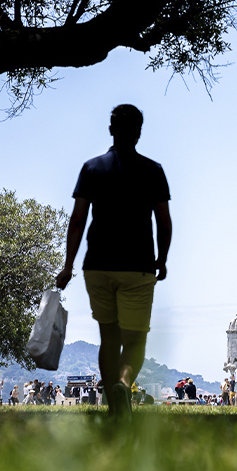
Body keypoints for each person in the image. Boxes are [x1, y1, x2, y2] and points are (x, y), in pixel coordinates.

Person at [56, 104, 172, 421]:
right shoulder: (153, 171)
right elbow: (164, 222)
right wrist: (162, 260)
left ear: (111, 129)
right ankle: (123, 384)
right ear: (138, 132)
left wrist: (68, 266)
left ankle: (113, 409)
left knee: (109, 338)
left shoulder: (92, 169)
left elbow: (78, 220)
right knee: (135, 340)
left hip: (98, 265)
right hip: (138, 266)